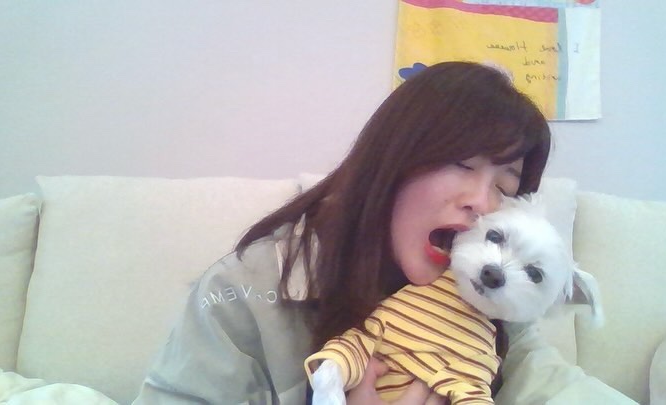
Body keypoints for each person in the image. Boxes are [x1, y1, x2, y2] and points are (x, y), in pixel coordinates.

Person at [132, 61, 625, 404]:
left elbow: (556, 387)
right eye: (462, 163)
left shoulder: (489, 297)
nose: (482, 202)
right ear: (395, 158)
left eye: (505, 185)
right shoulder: (244, 290)